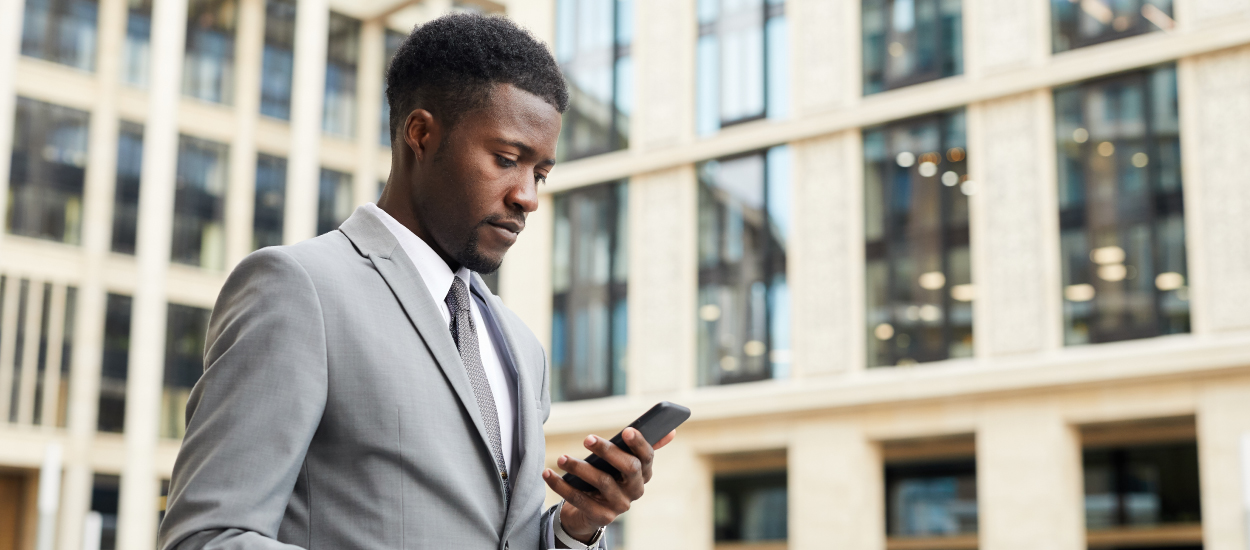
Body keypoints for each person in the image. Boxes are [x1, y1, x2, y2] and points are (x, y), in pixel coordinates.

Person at [157, 13, 674, 550]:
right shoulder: (297, 288)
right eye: (506, 160)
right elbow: (207, 537)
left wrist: (575, 528)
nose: (528, 197)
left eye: (539, 173)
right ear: (421, 134)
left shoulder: (523, 347)